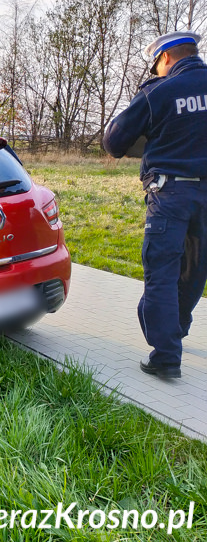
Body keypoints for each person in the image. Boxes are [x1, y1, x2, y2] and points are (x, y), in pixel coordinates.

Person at [103, 31, 207, 379]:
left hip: (170, 196)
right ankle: (176, 330)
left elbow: (114, 142)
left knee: (161, 273)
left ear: (164, 58)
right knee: (195, 270)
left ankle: (165, 354)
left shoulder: (159, 92)